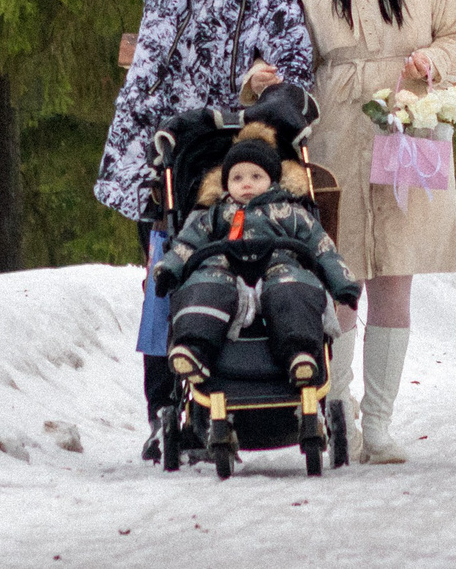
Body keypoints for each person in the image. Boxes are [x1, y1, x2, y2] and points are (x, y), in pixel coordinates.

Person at [78, 0, 315, 446]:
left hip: (231, 154)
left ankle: (238, 393)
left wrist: (270, 83)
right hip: (159, 150)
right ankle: (164, 410)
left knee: (233, 266)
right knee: (162, 269)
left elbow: (294, 65)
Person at [298, 0, 456, 464]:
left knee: (397, 275)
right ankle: (338, 412)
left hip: (411, 119)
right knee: (340, 273)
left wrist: (434, 59)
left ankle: (378, 425)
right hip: (338, 128)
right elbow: (296, 55)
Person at [154, 124, 360, 388]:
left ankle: (300, 353)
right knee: (204, 285)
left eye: (256, 176)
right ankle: (194, 349)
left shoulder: (290, 212)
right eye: (237, 178)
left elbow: (321, 246)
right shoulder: (215, 215)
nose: (247, 183)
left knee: (295, 288)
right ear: (226, 183)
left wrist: (342, 282)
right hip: (224, 268)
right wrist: (169, 269)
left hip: (278, 267)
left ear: (272, 180)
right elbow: (187, 244)